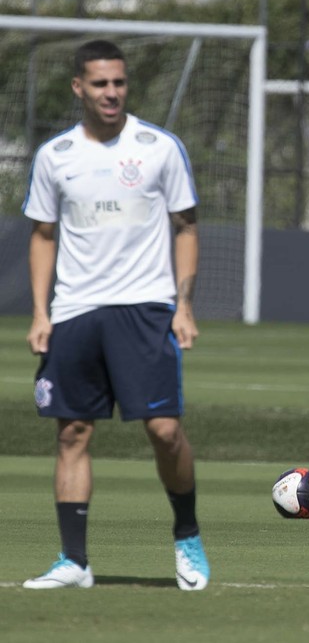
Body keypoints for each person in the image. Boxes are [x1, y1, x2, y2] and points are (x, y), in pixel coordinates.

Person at [21, 40, 209, 590]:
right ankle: (74, 562)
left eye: (119, 83)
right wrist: (40, 313)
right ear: (79, 86)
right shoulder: (55, 156)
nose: (111, 92)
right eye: (100, 83)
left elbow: (187, 227)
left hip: (145, 308)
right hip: (76, 311)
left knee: (165, 430)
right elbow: (42, 235)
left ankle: (187, 538)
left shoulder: (159, 148)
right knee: (73, 432)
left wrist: (184, 305)